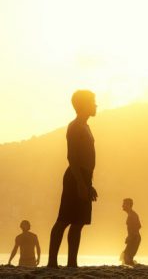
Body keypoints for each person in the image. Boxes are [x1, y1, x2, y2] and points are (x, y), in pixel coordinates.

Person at [48, 90, 98, 268]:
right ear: (83, 105)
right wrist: (80, 183)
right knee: (64, 220)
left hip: (84, 177)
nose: (96, 105)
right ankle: (52, 262)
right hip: (75, 176)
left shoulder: (86, 126)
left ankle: (72, 263)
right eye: (92, 101)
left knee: (78, 222)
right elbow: (72, 157)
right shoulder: (75, 126)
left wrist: (89, 184)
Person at [121, 198, 141, 266]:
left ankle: (133, 270)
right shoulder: (131, 214)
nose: (122, 206)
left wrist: (130, 237)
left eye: (124, 204)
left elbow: (137, 227)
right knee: (126, 257)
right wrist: (129, 236)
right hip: (134, 237)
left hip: (135, 238)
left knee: (126, 257)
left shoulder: (132, 215)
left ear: (129, 205)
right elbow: (138, 226)